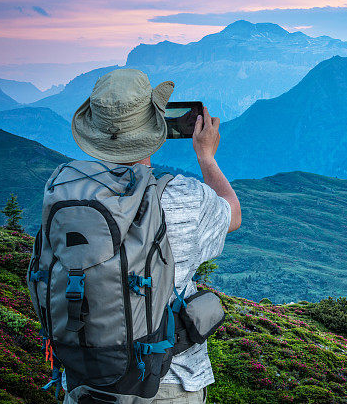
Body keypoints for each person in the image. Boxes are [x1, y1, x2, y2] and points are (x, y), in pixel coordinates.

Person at [66, 68, 241, 403]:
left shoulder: (65, 195)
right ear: (155, 130)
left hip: (87, 380)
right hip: (167, 381)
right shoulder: (182, 197)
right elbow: (232, 213)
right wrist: (206, 156)